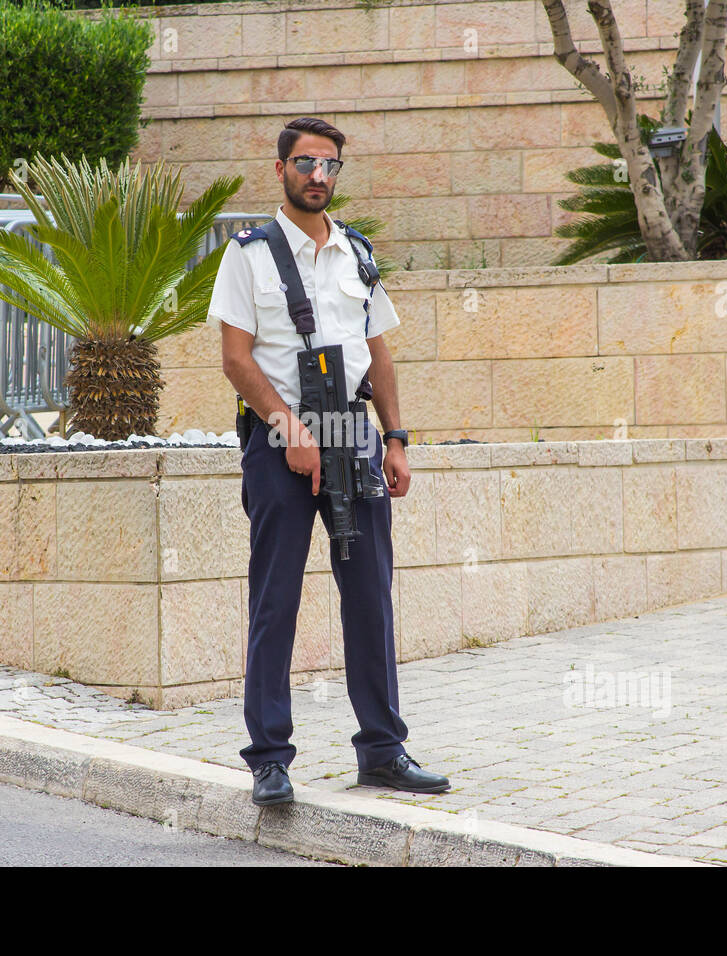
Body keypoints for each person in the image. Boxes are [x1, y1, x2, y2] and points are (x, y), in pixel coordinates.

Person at [208, 116, 450, 806]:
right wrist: (290, 430)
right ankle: (270, 759)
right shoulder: (247, 254)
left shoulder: (358, 254)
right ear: (280, 168)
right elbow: (235, 359)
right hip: (278, 443)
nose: (319, 175)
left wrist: (396, 437)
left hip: (355, 437)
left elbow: (379, 352)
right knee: (275, 601)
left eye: (330, 165)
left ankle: (381, 751)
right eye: (306, 162)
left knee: (370, 598)